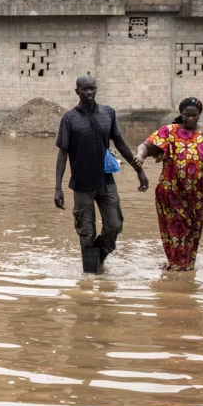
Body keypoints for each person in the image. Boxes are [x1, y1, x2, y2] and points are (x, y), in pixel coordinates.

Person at [54, 75, 148, 272]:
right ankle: (90, 279)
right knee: (86, 232)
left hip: (106, 181)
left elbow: (120, 143)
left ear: (96, 89)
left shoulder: (108, 113)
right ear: (76, 91)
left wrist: (139, 170)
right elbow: (63, 154)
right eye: (84, 89)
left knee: (114, 225)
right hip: (81, 184)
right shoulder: (69, 119)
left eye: (92, 89)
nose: (88, 93)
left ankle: (99, 258)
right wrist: (58, 188)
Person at [136, 97, 203, 272]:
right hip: (171, 192)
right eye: (186, 115)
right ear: (181, 114)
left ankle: (188, 266)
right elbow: (145, 146)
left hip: (199, 196)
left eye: (194, 115)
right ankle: (176, 265)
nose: (190, 119)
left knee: (193, 230)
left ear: (200, 115)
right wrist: (139, 156)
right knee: (175, 228)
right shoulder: (169, 132)